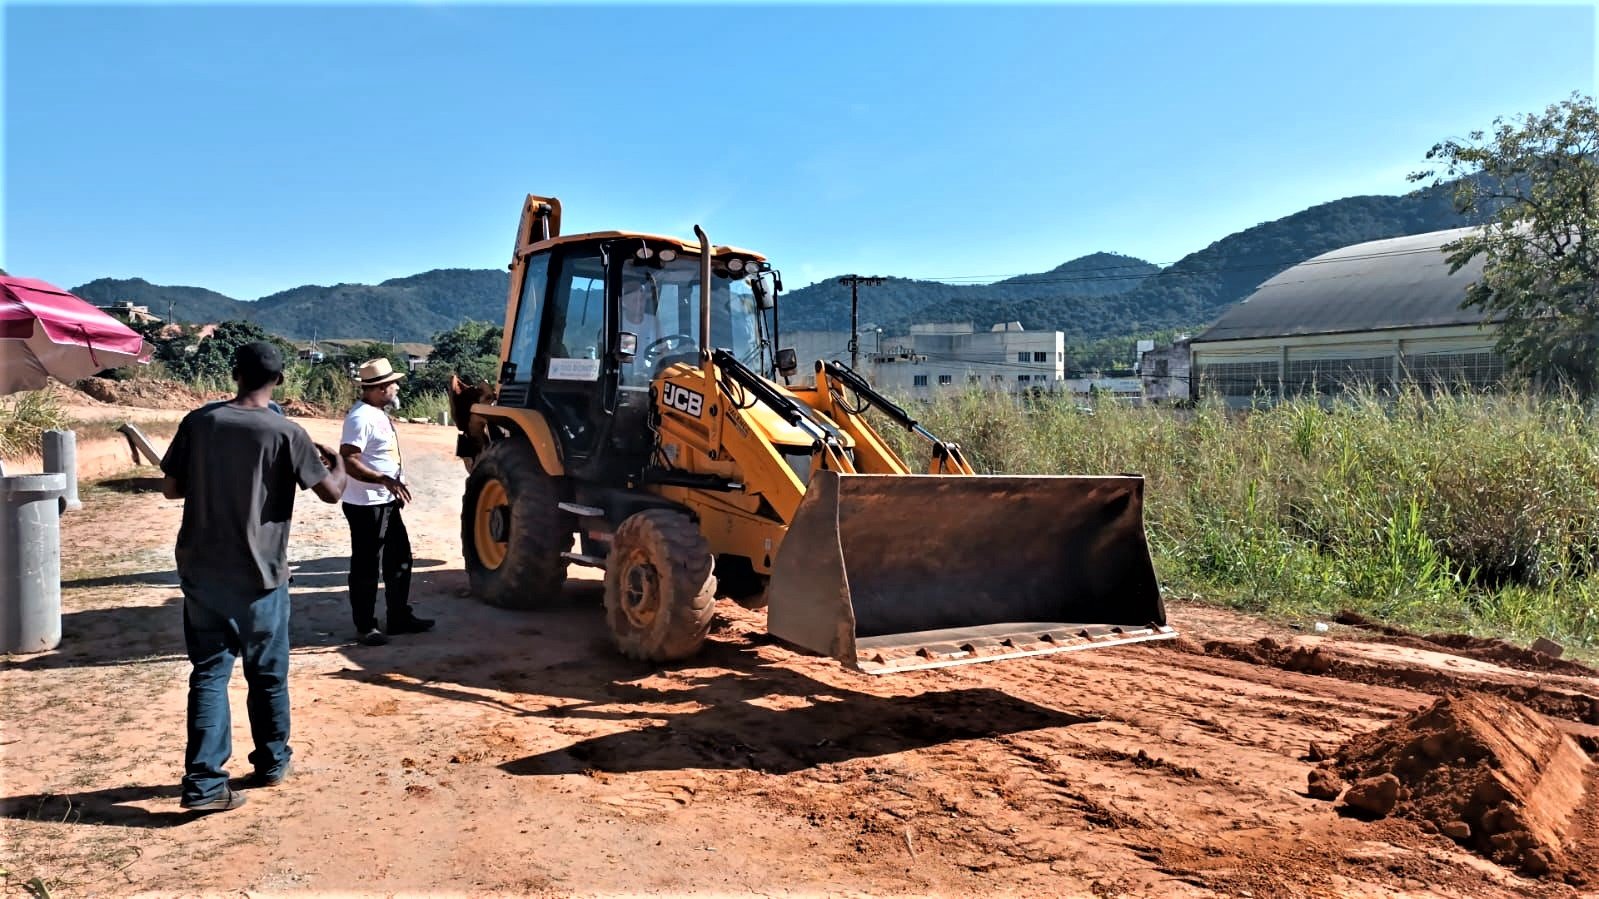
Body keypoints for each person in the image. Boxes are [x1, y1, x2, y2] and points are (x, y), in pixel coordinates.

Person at [161, 341, 348, 813]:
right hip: (261, 575)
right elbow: (331, 494)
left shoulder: (199, 422)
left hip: (202, 571)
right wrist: (339, 463)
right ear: (280, 381)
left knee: (208, 674)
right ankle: (270, 761)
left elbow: (171, 489)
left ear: (234, 374)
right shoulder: (288, 432)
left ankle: (204, 784)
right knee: (267, 675)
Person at [339, 358, 434, 646]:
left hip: (385, 501)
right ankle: (366, 626)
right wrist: (384, 479)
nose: (396, 387)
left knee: (399, 559)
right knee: (367, 566)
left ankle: (399, 617)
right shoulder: (361, 418)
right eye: (393, 384)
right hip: (367, 504)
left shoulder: (377, 413)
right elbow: (348, 459)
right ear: (379, 389)